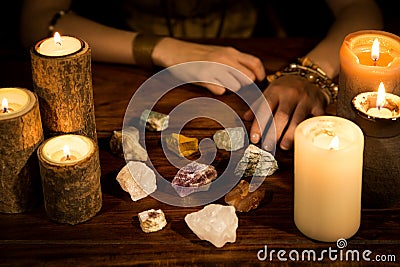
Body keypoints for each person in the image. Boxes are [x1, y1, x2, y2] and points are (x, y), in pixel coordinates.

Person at [20, 0, 383, 151]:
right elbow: (39, 19)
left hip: (258, 58)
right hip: (118, 64)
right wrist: (164, 49)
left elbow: (361, 7)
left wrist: (309, 71)